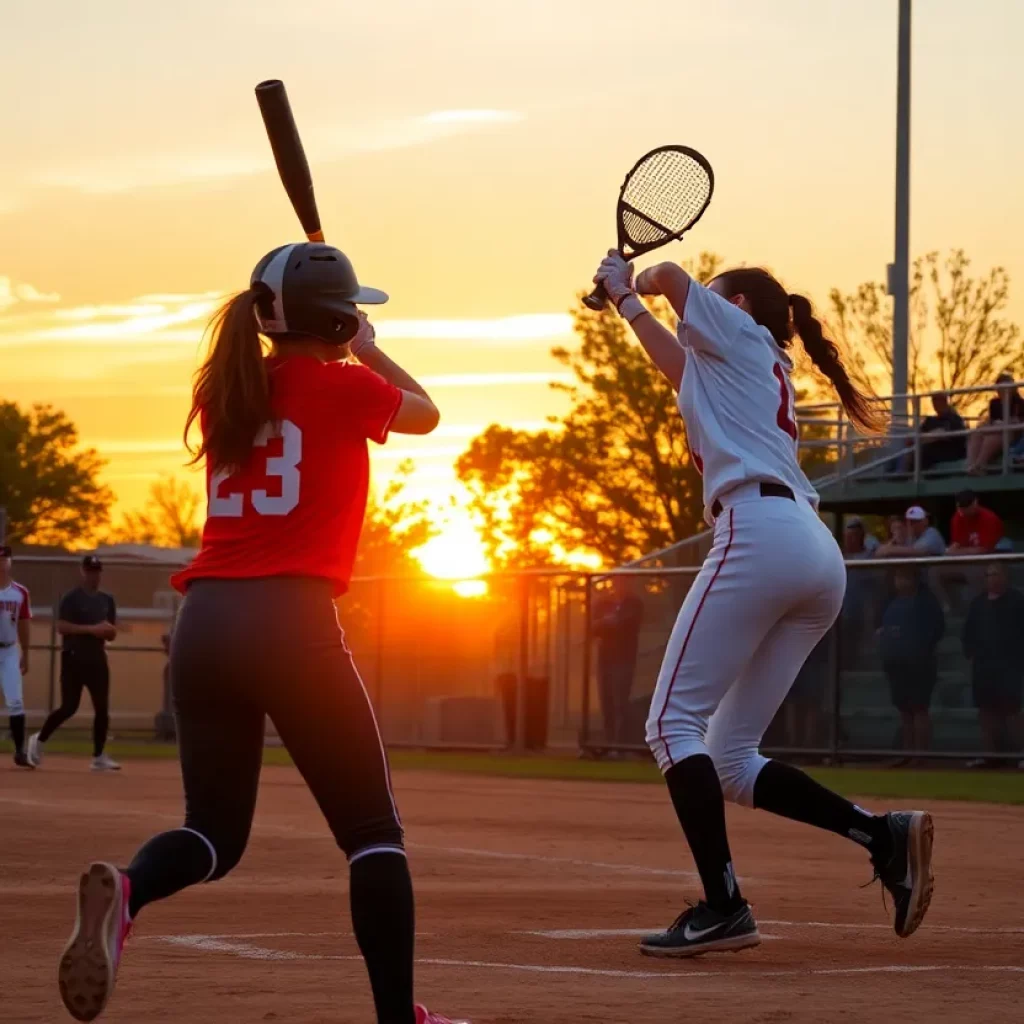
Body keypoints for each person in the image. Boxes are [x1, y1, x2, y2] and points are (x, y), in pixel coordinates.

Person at [55, 243, 465, 1024]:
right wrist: (371, 350)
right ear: (339, 317)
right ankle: (397, 1019)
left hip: (205, 623)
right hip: (291, 621)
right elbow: (426, 413)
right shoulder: (345, 385)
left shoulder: (227, 392)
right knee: (373, 833)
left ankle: (134, 888)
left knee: (213, 832)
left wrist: (340, 339)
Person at [591, 254, 934, 957]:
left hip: (758, 532)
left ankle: (724, 905)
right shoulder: (732, 368)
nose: (697, 318)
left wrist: (638, 273)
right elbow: (672, 361)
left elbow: (677, 278)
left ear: (738, 305)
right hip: (809, 548)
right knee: (728, 758)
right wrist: (624, 302)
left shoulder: (739, 333)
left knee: (668, 726)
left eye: (715, 304)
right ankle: (882, 836)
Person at [29, 555, 120, 772]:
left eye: (97, 571)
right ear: (83, 571)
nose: (94, 575)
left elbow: (111, 632)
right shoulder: (71, 598)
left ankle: (99, 756)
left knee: (102, 708)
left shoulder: (107, 600)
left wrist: (109, 631)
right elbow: (61, 626)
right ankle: (38, 741)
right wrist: (91, 629)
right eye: (90, 571)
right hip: (73, 657)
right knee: (69, 707)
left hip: (97, 658)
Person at [877, 568, 946, 761]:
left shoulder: (926, 603)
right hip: (896, 665)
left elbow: (936, 630)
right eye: (898, 578)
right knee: (904, 710)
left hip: (919, 665)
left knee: (919, 709)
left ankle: (921, 755)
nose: (901, 582)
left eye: (905, 577)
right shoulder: (890, 602)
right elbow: (880, 627)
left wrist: (919, 649)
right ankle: (906, 753)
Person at [962, 563, 1024, 764]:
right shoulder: (978, 603)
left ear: (1005, 576)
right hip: (983, 665)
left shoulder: (1017, 600)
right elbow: (968, 632)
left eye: (995, 574)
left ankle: (1021, 753)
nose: (991, 578)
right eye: (988, 574)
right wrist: (970, 653)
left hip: (1009, 665)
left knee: (1012, 710)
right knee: (986, 712)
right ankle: (991, 755)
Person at [593, 575, 645, 748]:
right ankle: (608, 743)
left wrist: (610, 622)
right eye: (616, 581)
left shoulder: (634, 603)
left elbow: (626, 624)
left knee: (620, 702)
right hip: (605, 659)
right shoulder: (603, 602)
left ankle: (620, 745)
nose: (619, 584)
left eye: (623, 581)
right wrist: (606, 622)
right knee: (606, 702)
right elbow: (593, 626)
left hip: (623, 659)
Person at [0, 545, 33, 768]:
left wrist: (26, 654)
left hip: (10, 649)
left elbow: (24, 624)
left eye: (5, 558)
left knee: (15, 701)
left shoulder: (20, 592)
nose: (2, 562)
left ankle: (20, 751)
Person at [967, 372, 1024, 475]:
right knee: (977, 434)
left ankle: (980, 464)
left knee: (992, 437)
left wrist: (1007, 423)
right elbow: (992, 420)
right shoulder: (994, 403)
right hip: (996, 430)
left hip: (1012, 434)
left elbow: (1019, 422)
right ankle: (971, 465)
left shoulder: (1020, 403)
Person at [900, 392, 967, 472]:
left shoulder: (954, 419)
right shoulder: (930, 420)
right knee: (906, 450)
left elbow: (943, 434)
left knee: (923, 451)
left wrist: (923, 438)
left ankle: (909, 476)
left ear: (944, 401)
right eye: (933, 401)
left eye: (937, 400)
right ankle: (901, 474)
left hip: (948, 449)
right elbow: (918, 433)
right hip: (929, 446)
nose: (934, 404)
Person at [876, 505, 946, 559]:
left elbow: (919, 552)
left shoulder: (932, 533)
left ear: (925, 521)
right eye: (910, 521)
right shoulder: (911, 537)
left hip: (933, 576)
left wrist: (890, 550)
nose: (913, 525)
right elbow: (879, 552)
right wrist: (896, 541)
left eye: (916, 521)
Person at [948, 490, 1004, 555]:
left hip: (992, 557)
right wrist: (953, 549)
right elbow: (956, 544)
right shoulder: (957, 517)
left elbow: (985, 549)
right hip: (969, 558)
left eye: (966, 508)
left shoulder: (990, 518)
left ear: (975, 503)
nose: (962, 513)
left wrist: (960, 551)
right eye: (960, 509)